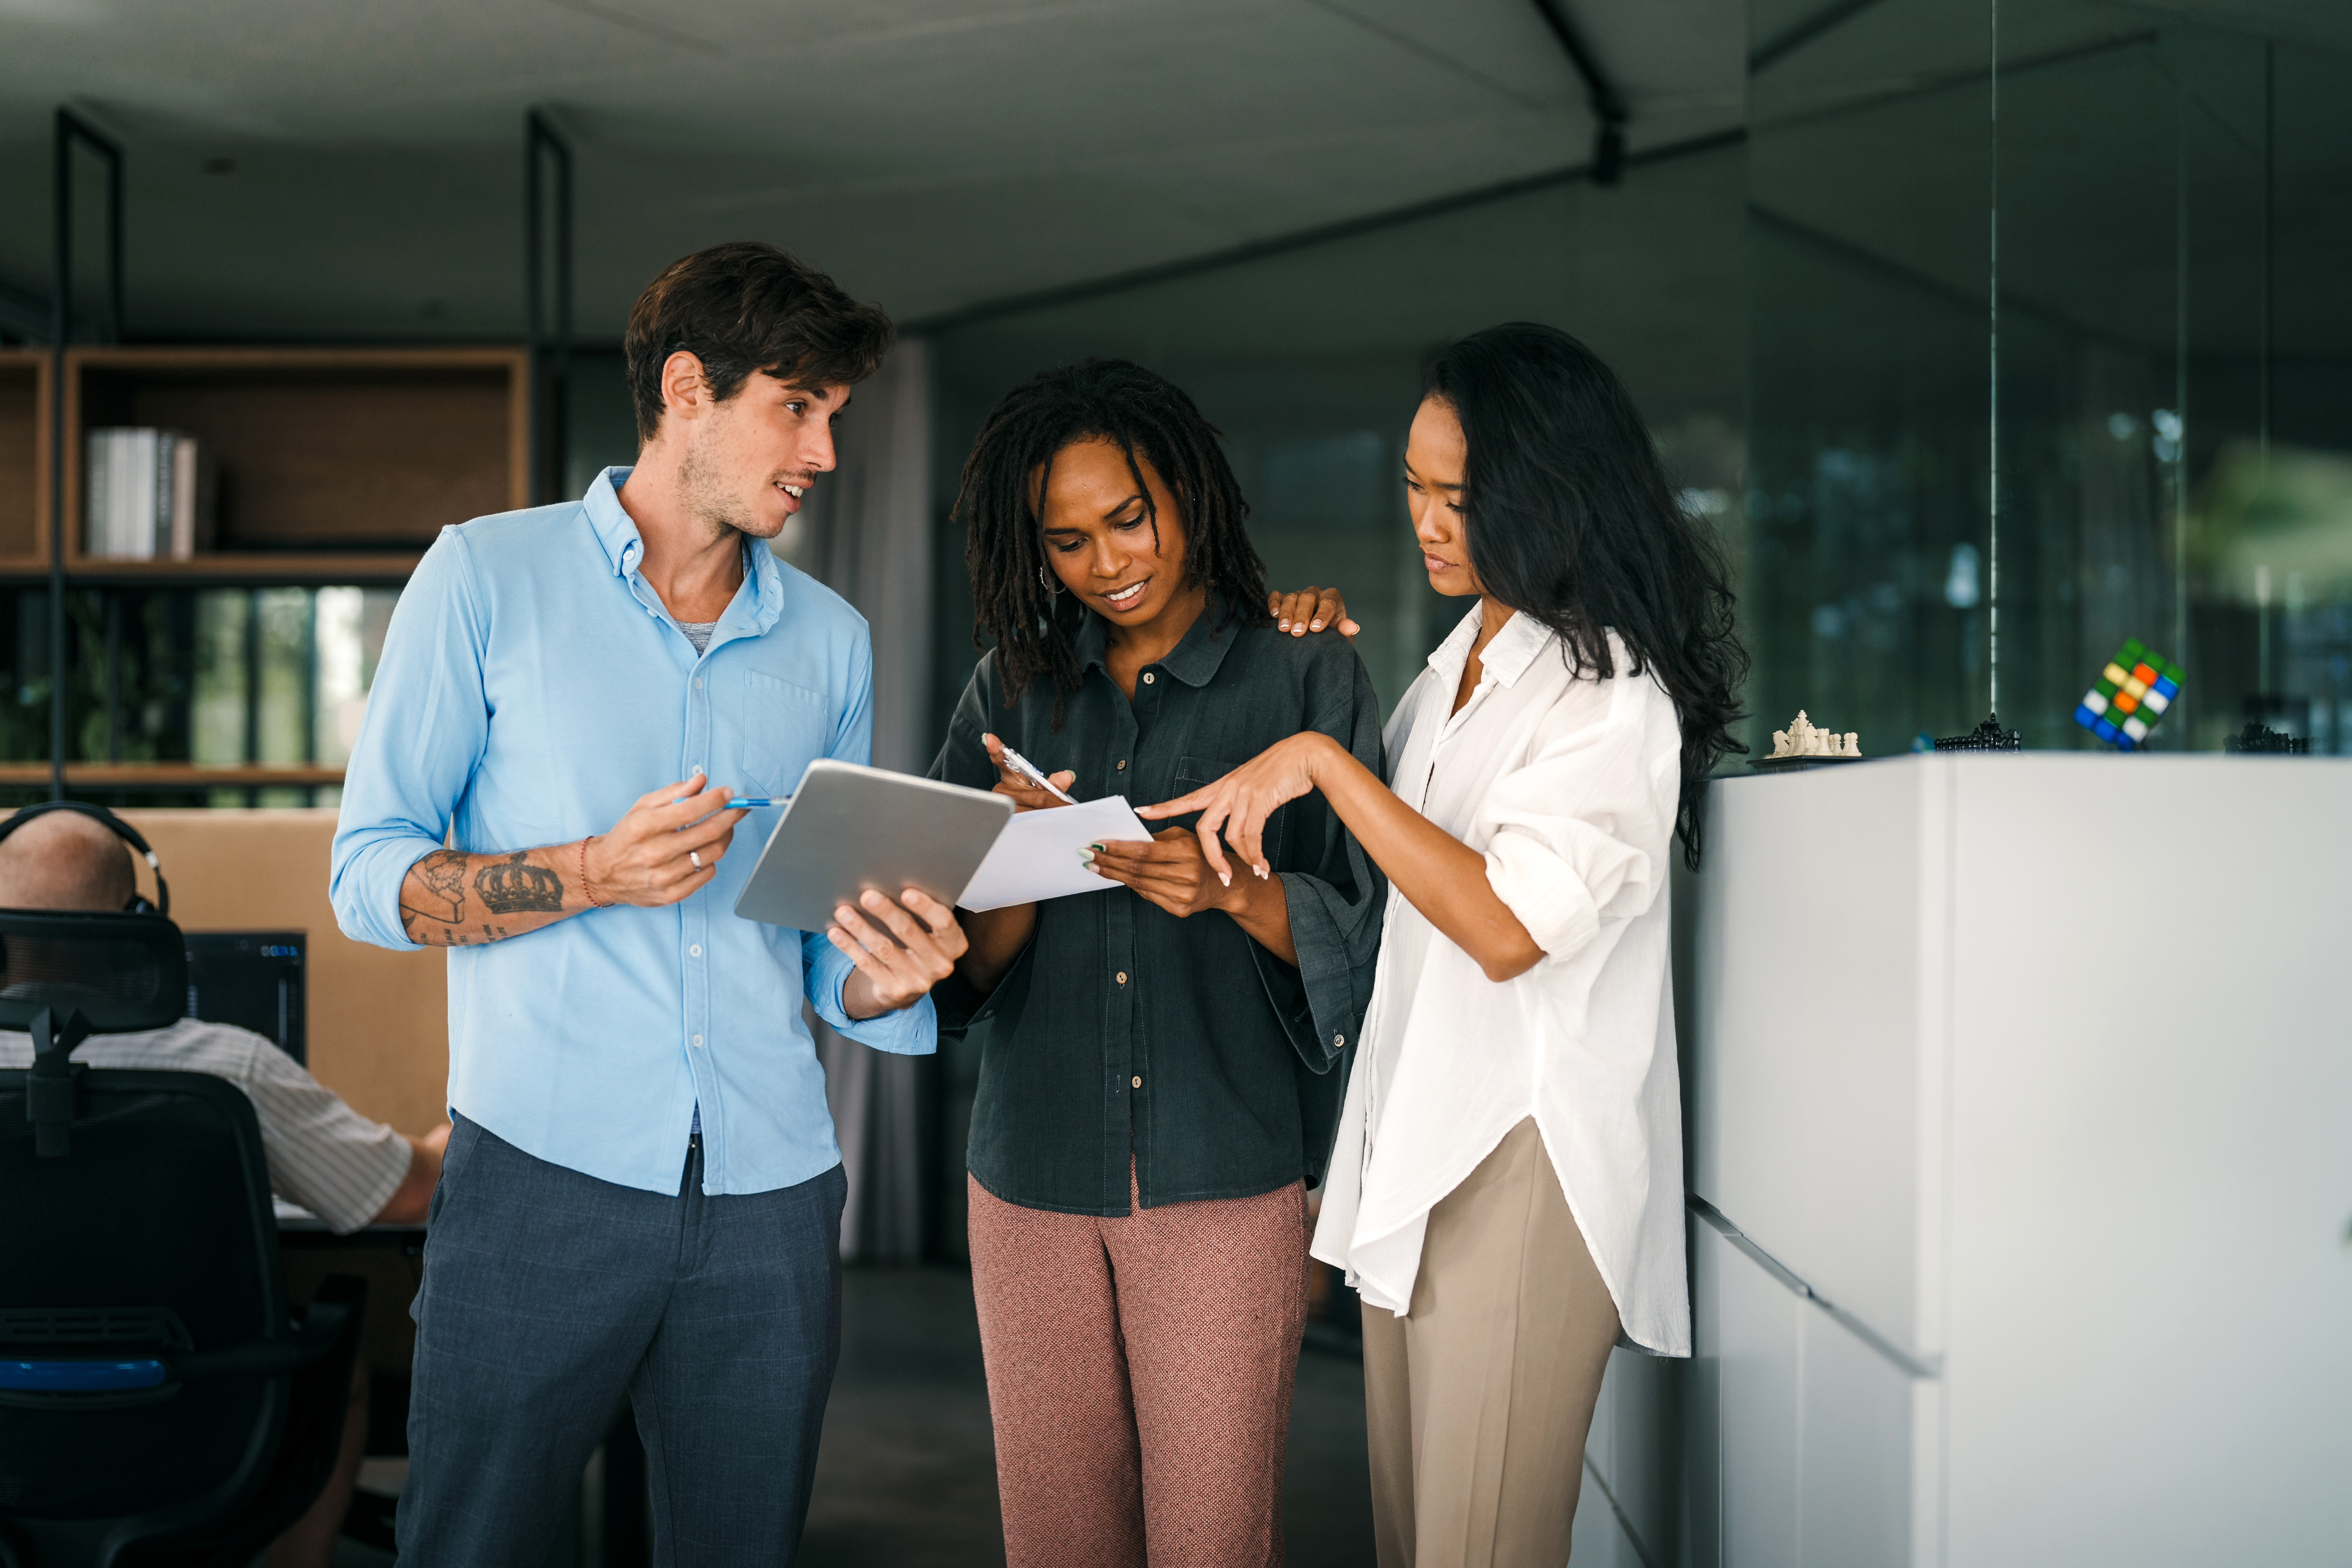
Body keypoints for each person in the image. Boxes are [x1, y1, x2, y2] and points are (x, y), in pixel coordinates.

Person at [329, 242, 968, 1565]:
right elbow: (368, 876)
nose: (824, 453)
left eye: (836, 417)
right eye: (797, 408)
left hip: (772, 1194)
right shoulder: (484, 577)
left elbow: (818, 954)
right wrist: (591, 872)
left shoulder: (833, 641)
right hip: (536, 1178)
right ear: (688, 389)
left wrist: (885, 971)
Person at [1144, 323, 1747, 1567]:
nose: (1425, 521)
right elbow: (1386, 898)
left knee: (1480, 1547)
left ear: (1547, 494)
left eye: (1458, 497)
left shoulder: (1610, 692)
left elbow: (1508, 928)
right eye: (1413, 485)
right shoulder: (1451, 672)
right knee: (1418, 1540)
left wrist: (1325, 763)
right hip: (1417, 1145)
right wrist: (1307, 678)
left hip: (1521, 1160)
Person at [929, 359, 1388, 1568]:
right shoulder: (1010, 688)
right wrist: (1019, 866)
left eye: (1129, 518)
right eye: (1066, 539)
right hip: (1028, 1178)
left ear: (1187, 491)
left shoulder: (1306, 671)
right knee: (1056, 1540)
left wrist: (1233, 891)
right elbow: (956, 970)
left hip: (1223, 1177)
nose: (1107, 561)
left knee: (1212, 1541)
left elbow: (1372, 930)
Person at [0, 802, 448, 1568]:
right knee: (339, 1367)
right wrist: (447, 1140)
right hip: (193, 1434)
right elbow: (408, 1196)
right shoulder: (229, 1066)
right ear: (139, 924)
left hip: (8, 1436)